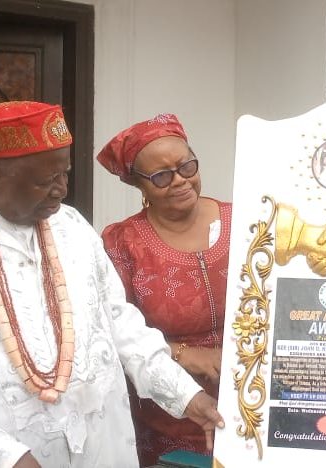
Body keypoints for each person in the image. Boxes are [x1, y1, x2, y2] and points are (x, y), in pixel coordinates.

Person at [0, 101, 223, 468]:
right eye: (45, 180)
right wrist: (7, 456)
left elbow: (119, 322)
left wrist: (186, 395)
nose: (61, 190)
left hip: (100, 449)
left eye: (64, 174)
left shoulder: (72, 227)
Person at [97, 114, 229, 465]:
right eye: (161, 176)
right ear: (138, 185)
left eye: (187, 166)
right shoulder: (122, 242)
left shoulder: (247, 221)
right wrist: (184, 353)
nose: (180, 181)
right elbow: (111, 330)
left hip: (249, 403)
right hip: (165, 416)